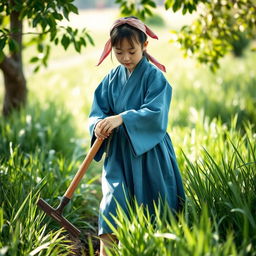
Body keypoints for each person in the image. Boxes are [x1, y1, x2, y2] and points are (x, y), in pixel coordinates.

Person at [89, 16, 185, 256]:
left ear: (144, 46)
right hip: (118, 154)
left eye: (131, 51)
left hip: (149, 152)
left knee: (152, 206)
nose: (126, 58)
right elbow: (97, 110)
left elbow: (156, 113)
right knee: (111, 203)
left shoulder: (155, 77)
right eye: (119, 52)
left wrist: (123, 118)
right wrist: (98, 124)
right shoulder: (111, 79)